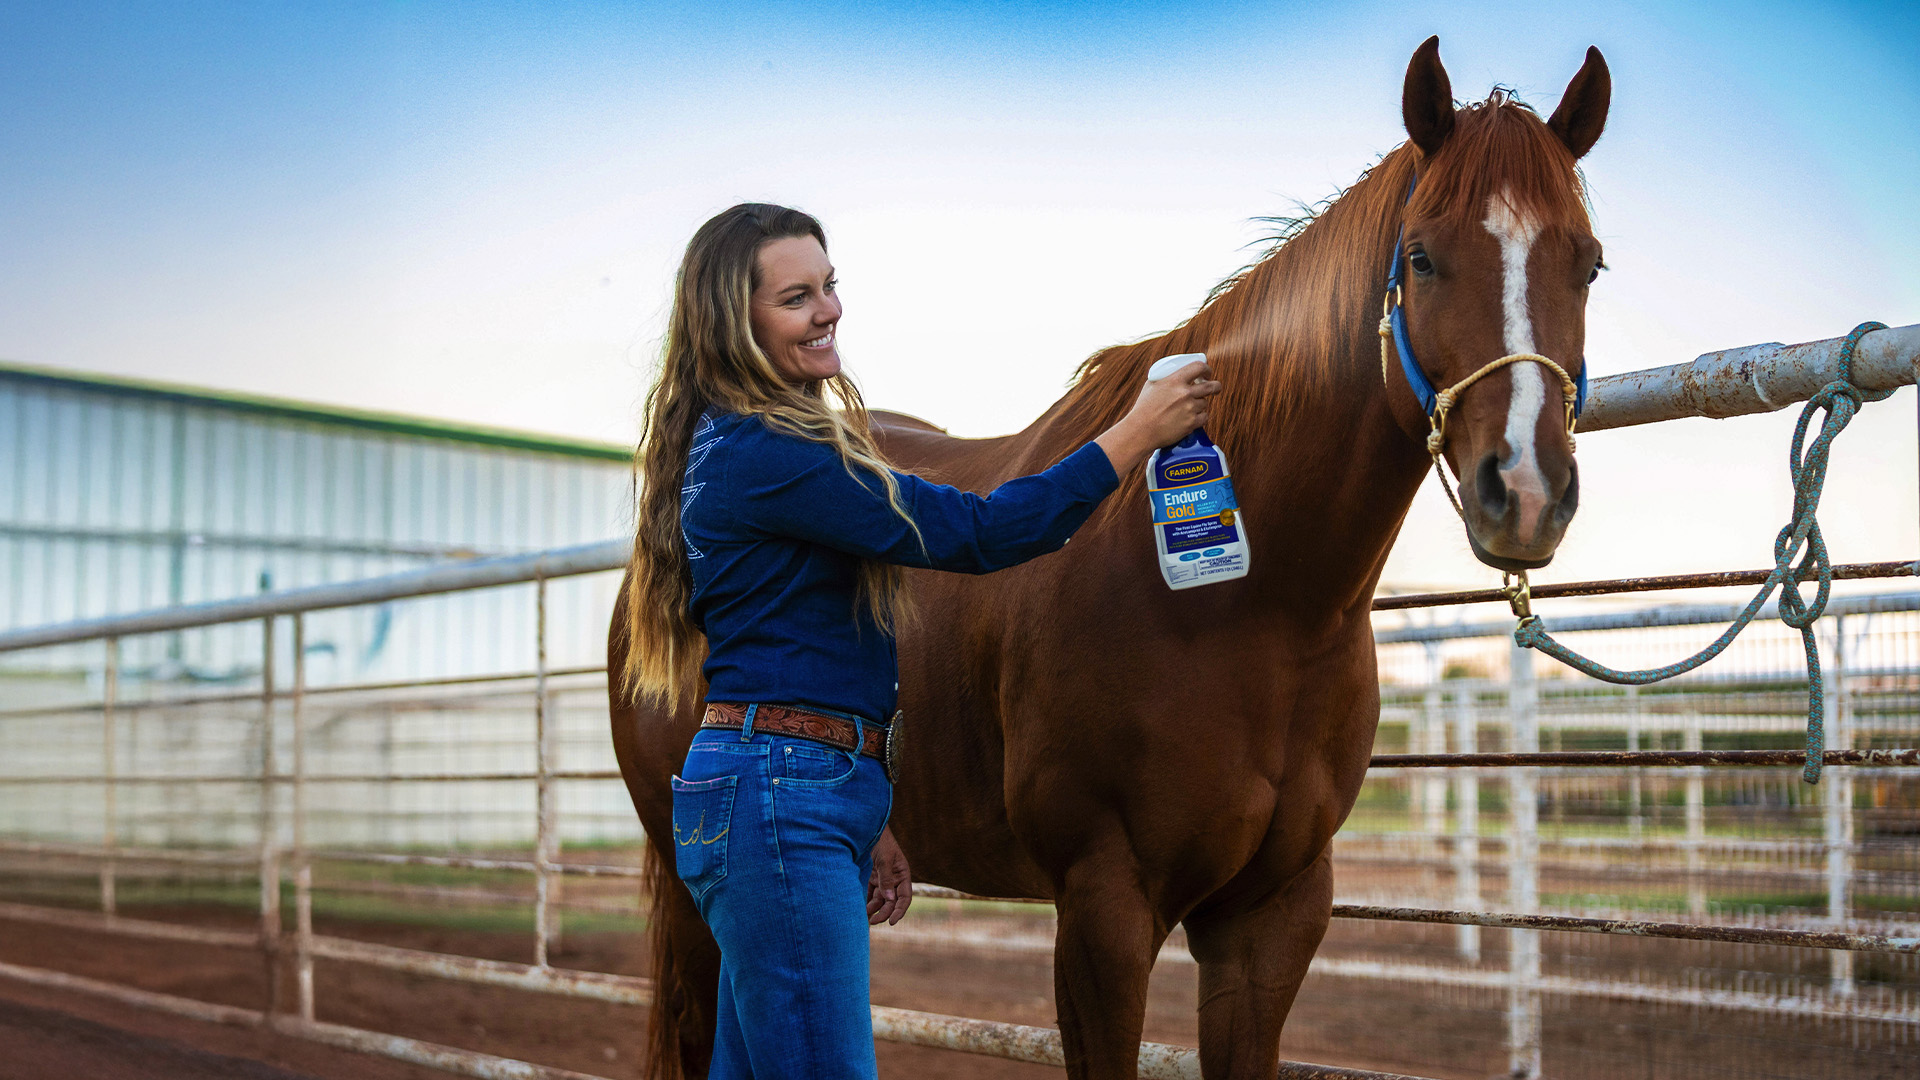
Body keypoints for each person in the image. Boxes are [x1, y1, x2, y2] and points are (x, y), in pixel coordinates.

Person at [620, 203, 1218, 1078]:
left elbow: (793, 643)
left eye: (830, 287)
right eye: (796, 297)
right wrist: (1136, 432)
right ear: (733, 322)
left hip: (776, 789)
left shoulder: (725, 443)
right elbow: (980, 533)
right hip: (781, 800)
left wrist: (865, 803)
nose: (828, 311)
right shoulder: (775, 451)